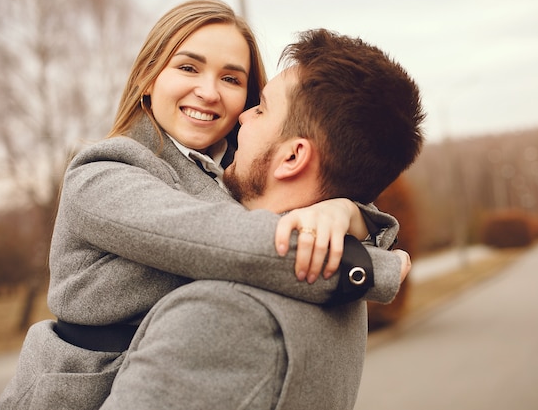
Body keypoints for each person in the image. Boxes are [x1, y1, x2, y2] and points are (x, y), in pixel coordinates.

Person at [0, 0, 411, 410]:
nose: (208, 91)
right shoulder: (104, 173)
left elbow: (319, 183)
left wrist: (350, 213)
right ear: (148, 78)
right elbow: (227, 244)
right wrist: (367, 264)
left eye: (231, 79)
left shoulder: (231, 178)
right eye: (188, 67)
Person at [100, 28, 425, 410]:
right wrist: (352, 214)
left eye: (262, 108)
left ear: (292, 157)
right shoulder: (342, 292)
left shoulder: (222, 313)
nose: (243, 116)